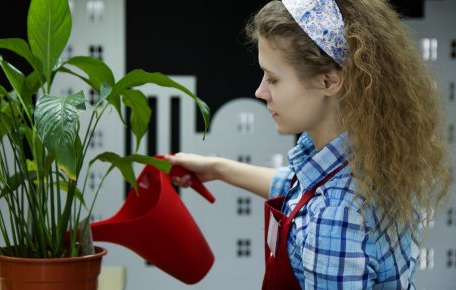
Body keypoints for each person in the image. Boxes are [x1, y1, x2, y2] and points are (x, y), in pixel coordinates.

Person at [166, 0, 452, 289]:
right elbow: (296, 188)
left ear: (328, 82)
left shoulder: (334, 216)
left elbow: (321, 205)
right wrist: (217, 169)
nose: (260, 91)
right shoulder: (367, 162)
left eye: (274, 79)